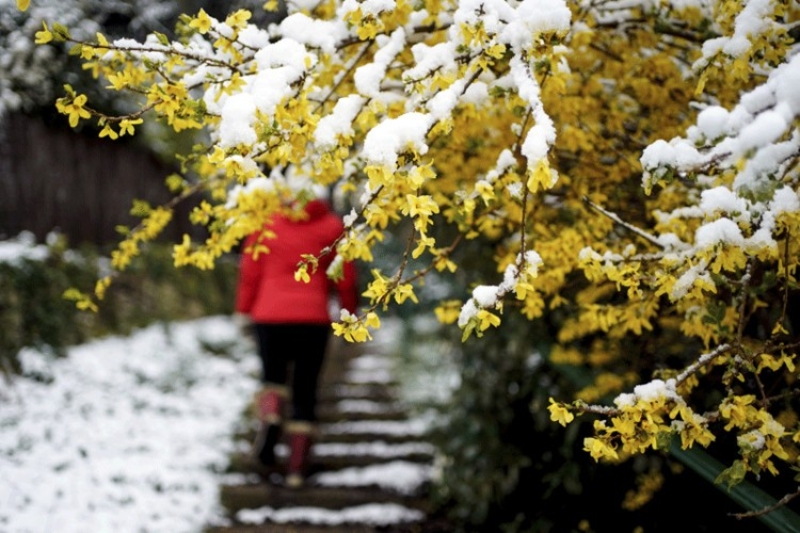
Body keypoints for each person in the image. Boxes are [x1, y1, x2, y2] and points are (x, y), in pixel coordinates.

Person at [235, 188, 358, 488]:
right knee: (305, 388)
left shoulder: (267, 221)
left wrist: (243, 310)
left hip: (269, 315)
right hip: (312, 319)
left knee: (272, 378)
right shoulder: (331, 226)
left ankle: (273, 414)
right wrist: (348, 312)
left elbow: (250, 270)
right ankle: (295, 469)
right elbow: (344, 274)